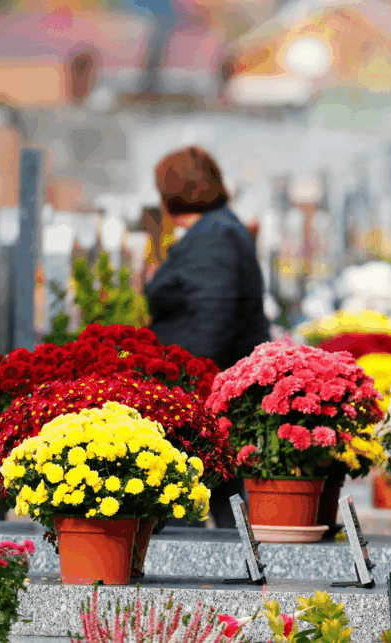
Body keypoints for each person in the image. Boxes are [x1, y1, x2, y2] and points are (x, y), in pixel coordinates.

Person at [144, 146, 271, 528]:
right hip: (212, 387)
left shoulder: (213, 237)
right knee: (221, 496)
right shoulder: (217, 228)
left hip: (202, 391)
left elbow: (212, 322)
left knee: (197, 496)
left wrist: (185, 390)